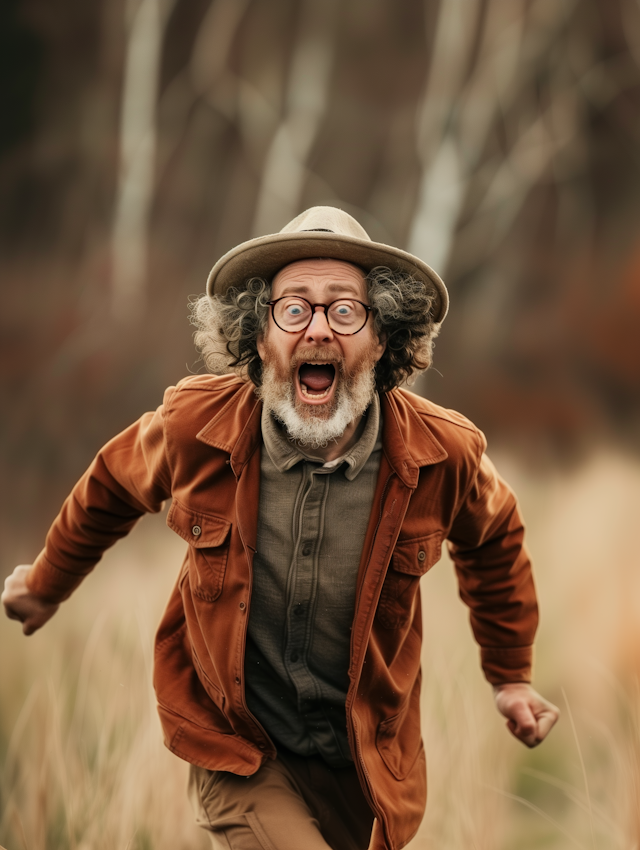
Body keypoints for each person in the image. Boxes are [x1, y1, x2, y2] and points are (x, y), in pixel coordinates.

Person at [2, 206, 559, 850]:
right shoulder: (195, 427)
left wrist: (510, 672)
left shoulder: (442, 454)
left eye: (344, 310)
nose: (318, 330)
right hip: (237, 745)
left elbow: (496, 538)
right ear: (258, 336)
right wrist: (46, 583)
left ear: (383, 339)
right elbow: (110, 487)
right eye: (293, 309)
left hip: (363, 763)